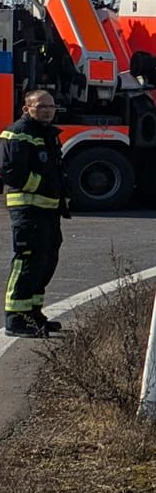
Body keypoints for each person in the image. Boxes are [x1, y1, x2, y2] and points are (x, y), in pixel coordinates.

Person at [4, 91, 69, 338]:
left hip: (48, 209)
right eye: (41, 106)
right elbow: (10, 171)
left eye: (51, 106)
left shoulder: (48, 133)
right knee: (27, 260)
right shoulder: (18, 133)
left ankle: (33, 315)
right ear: (26, 108)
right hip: (27, 209)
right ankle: (15, 319)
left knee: (45, 260)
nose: (47, 110)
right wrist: (44, 186)